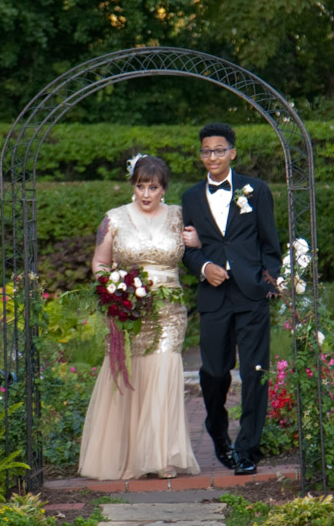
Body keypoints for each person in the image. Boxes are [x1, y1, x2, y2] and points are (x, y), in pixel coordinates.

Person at [76, 154, 201, 481]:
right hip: (128, 310)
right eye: (141, 186)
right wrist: (112, 290)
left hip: (169, 311)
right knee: (130, 375)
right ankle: (129, 454)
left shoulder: (179, 216)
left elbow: (199, 250)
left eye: (154, 187)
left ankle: (161, 456)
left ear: (164, 189)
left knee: (163, 372)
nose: (146, 194)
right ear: (133, 186)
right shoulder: (114, 218)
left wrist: (198, 243)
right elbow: (101, 263)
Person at [180, 123, 281, 476]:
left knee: (255, 373)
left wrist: (268, 282)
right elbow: (186, 250)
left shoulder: (257, 190)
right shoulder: (191, 197)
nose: (212, 157)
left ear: (232, 153)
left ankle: (248, 448)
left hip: (251, 295)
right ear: (201, 155)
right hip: (214, 297)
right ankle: (217, 429)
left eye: (219, 150)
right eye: (206, 151)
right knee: (215, 372)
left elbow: (271, 245)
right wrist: (204, 265)